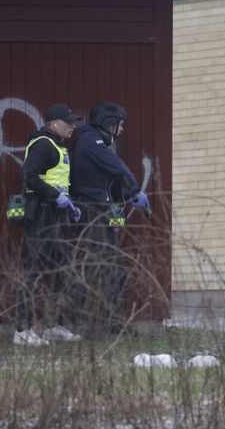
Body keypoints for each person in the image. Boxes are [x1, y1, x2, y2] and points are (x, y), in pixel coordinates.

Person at [69, 101, 150, 333]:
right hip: (91, 212)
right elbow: (118, 167)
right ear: (109, 122)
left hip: (102, 211)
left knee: (116, 268)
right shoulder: (89, 140)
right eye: (120, 124)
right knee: (96, 268)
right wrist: (134, 186)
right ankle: (91, 325)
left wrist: (128, 196)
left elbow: (110, 188)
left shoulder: (101, 144)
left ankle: (114, 322)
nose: (122, 129)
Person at [14, 103, 83, 346]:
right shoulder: (44, 144)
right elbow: (27, 176)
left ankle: (53, 325)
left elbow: (57, 181)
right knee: (35, 272)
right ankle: (22, 331)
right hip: (43, 216)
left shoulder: (58, 146)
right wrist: (56, 197)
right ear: (55, 124)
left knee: (62, 271)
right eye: (69, 122)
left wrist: (69, 204)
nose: (73, 127)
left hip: (57, 216)